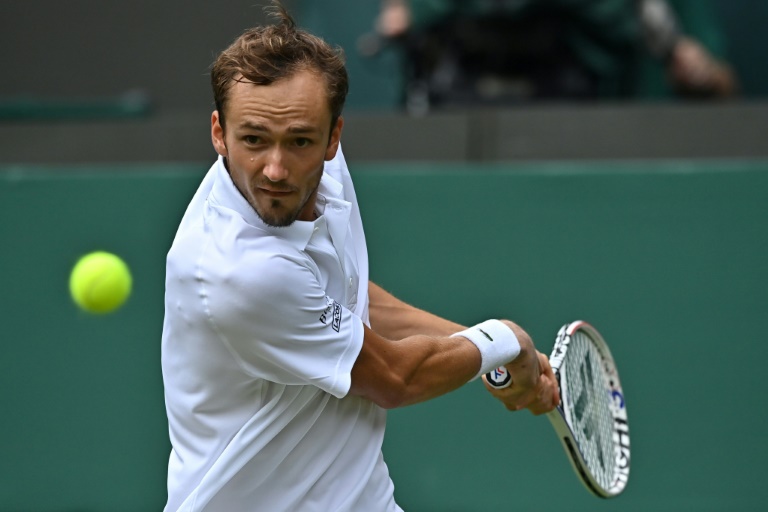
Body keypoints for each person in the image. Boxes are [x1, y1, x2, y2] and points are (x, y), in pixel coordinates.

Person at [160, 2, 559, 510]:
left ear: (334, 138)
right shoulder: (240, 272)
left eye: (299, 141)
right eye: (253, 140)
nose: (275, 169)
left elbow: (345, 301)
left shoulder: (318, 180)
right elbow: (395, 377)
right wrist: (505, 339)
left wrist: (490, 356)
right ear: (219, 133)